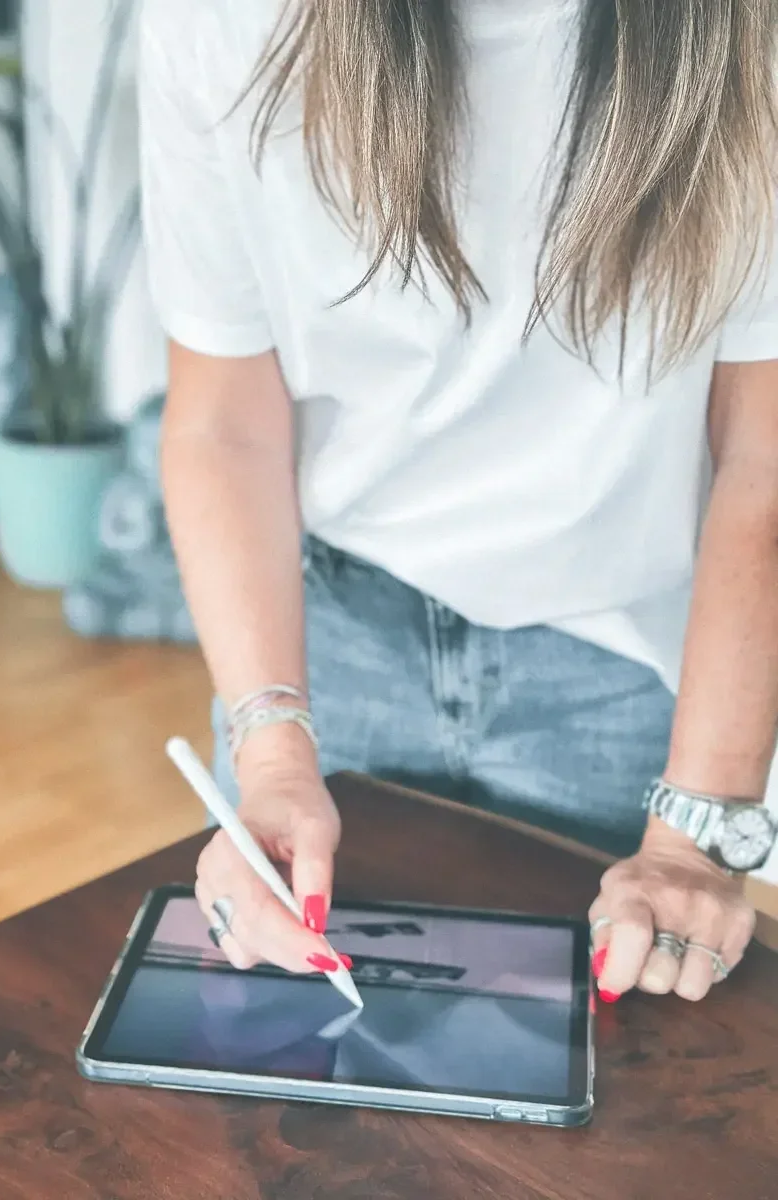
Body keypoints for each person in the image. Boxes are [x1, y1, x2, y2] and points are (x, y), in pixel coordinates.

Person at [138, 0, 778, 1007]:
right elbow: (224, 420)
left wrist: (697, 830)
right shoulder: (223, 21)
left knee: (616, 1073)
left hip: (619, 667)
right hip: (325, 640)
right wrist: (270, 754)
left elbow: (763, 458)